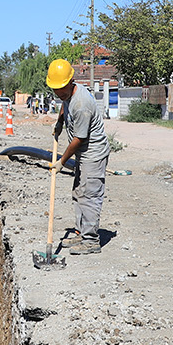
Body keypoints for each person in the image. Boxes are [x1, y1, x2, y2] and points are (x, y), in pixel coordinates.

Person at [46, 58, 109, 254]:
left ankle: (91, 241)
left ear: (71, 81)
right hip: (84, 154)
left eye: (61, 89)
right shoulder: (67, 93)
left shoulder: (82, 104)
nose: (58, 93)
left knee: (89, 195)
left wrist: (61, 162)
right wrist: (59, 123)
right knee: (79, 193)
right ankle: (82, 233)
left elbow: (79, 139)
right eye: (55, 89)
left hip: (92, 154)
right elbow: (65, 106)